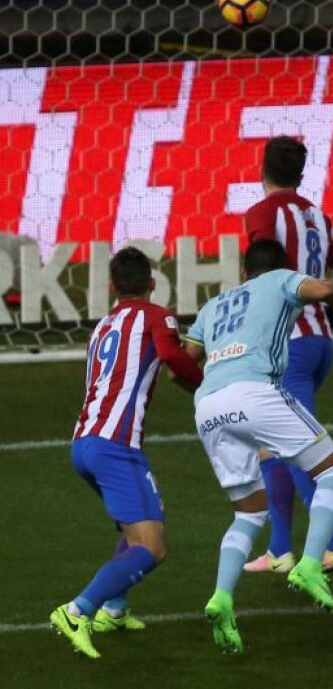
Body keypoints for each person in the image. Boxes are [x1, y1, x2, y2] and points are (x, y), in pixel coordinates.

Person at [183, 239, 333, 653]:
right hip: (255, 393)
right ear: (278, 268)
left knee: (248, 513)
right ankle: (309, 563)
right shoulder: (280, 280)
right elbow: (320, 289)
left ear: (243, 272)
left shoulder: (214, 304)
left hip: (209, 407)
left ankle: (222, 597)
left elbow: (187, 357)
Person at [49, 247, 204, 659]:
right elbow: (172, 357)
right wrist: (202, 385)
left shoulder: (100, 328)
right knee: (152, 546)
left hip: (83, 443)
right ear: (152, 284)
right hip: (116, 447)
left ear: (111, 287)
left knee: (134, 528)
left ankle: (114, 609)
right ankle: (77, 610)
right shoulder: (156, 315)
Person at [241, 135, 333, 575]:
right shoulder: (319, 217)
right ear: (300, 175)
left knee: (296, 449)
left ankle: (332, 544)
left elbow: (263, 270)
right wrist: (329, 318)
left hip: (285, 351)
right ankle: (279, 549)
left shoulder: (261, 214)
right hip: (318, 345)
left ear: (262, 170)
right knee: (268, 446)